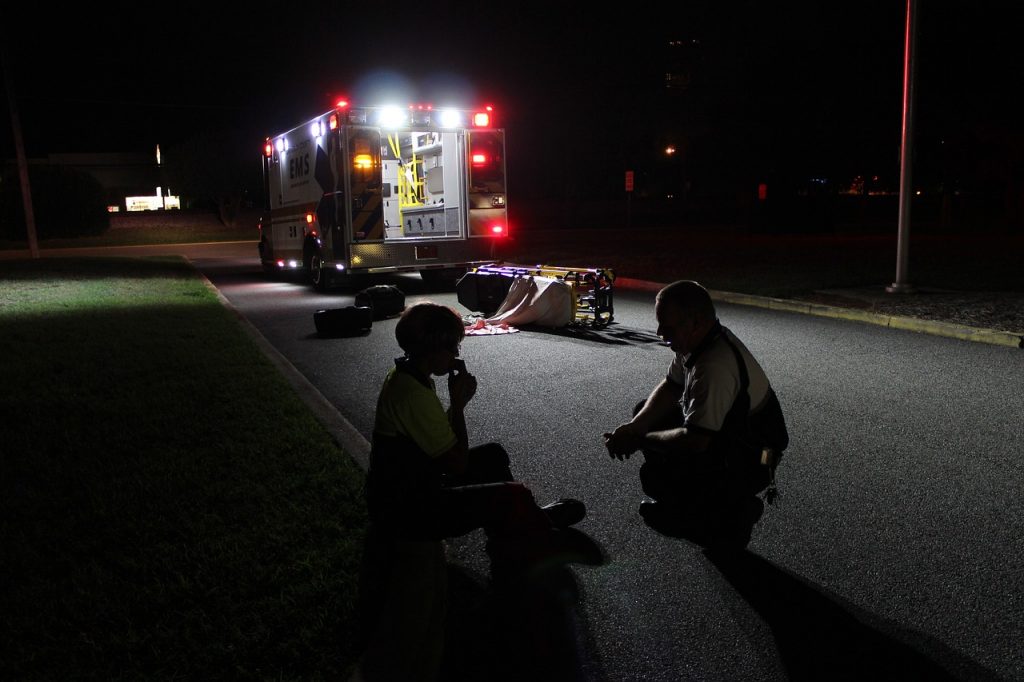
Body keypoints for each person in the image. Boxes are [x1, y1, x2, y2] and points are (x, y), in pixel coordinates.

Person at [603, 280, 789, 548]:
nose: (659, 333)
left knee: (680, 466)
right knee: (645, 413)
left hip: (755, 456)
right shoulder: (696, 342)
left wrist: (639, 440)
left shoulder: (714, 366)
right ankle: (700, 505)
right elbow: (671, 385)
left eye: (667, 327)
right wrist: (635, 427)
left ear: (696, 322)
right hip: (729, 434)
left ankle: (731, 512)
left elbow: (695, 440)